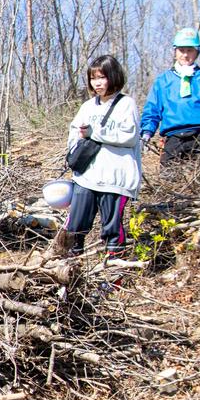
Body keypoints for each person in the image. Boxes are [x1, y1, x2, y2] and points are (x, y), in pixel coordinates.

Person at [50, 55, 143, 258]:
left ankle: (114, 275)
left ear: (113, 76)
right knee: (75, 228)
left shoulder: (126, 104)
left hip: (115, 179)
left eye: (102, 77)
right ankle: (72, 272)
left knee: (112, 228)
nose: (97, 83)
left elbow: (130, 136)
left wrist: (95, 133)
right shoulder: (88, 107)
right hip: (87, 177)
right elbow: (74, 133)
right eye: (93, 78)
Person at [140, 27, 200, 166]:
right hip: (173, 138)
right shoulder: (163, 80)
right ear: (175, 51)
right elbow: (153, 110)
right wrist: (146, 133)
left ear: (197, 52)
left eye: (190, 50)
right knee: (169, 181)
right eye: (182, 50)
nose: (185, 55)